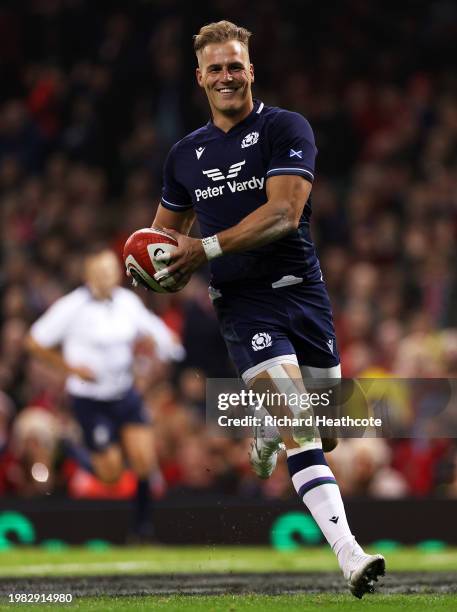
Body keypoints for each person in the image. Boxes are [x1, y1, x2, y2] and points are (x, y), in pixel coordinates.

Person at [145, 20, 384, 596]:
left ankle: (263, 425)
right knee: (301, 423)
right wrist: (154, 271)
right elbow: (161, 241)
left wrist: (199, 249)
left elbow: (282, 214)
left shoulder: (285, 128)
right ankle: (351, 557)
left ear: (251, 71)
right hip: (244, 306)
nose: (227, 76)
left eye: (236, 65)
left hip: (303, 292)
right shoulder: (184, 156)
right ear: (199, 78)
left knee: (327, 433)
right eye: (216, 68)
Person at [26, 247, 183, 539]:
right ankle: (68, 446)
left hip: (124, 394)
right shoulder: (71, 306)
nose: (107, 277)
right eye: (100, 272)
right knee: (110, 474)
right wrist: (69, 368)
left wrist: (168, 343)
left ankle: (141, 530)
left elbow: (154, 331)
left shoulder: (127, 302)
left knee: (145, 463)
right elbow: (34, 341)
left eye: (111, 271)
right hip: (90, 400)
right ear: (88, 275)